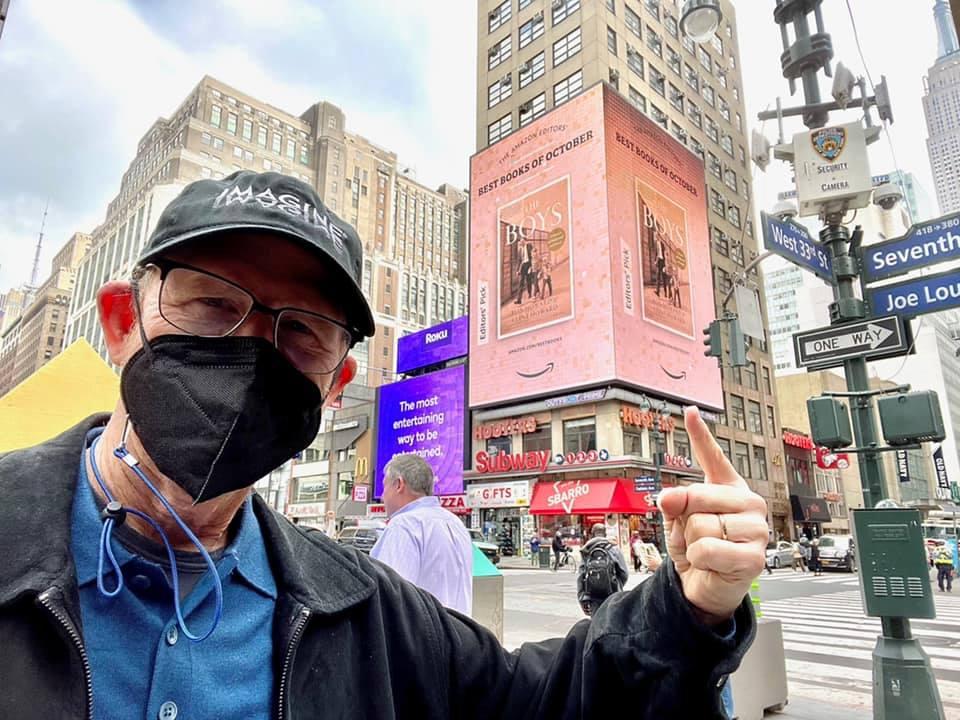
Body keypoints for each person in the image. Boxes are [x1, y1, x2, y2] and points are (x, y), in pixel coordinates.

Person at [0, 171, 769, 718]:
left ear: (336, 385)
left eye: (299, 332)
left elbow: (539, 701)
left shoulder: (361, 610)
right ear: (120, 322)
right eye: (211, 304)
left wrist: (688, 606)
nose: (253, 351)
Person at [371, 453, 474, 614]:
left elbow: (389, 598)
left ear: (399, 484)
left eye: (385, 486)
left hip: (421, 636)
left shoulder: (404, 525)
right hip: (459, 633)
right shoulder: (455, 523)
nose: (383, 496)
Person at [577, 524, 630, 616]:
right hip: (612, 593)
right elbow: (624, 573)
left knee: (596, 624)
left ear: (592, 534)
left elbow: (581, 576)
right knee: (611, 622)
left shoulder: (586, 550)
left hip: (593, 595)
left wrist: (582, 597)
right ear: (605, 534)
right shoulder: (614, 549)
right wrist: (616, 585)